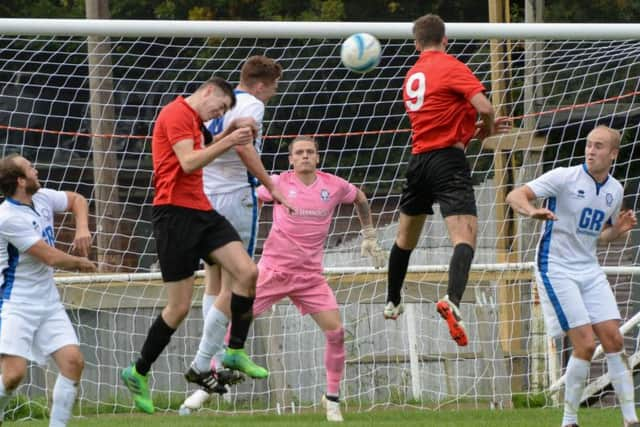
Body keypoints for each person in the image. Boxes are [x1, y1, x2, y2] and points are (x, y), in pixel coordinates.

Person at [120, 77, 272, 414]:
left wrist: (233, 127)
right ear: (207, 92)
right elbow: (190, 161)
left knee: (247, 272)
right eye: (218, 108)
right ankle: (138, 370)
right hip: (173, 216)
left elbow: (209, 145)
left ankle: (232, 350)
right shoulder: (176, 114)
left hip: (201, 211)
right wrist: (232, 137)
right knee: (179, 308)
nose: (215, 114)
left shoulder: (193, 119)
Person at [506, 125, 639, 427]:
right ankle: (568, 421)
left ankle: (631, 420)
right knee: (585, 344)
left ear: (613, 154)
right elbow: (516, 195)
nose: (591, 150)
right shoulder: (564, 177)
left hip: (588, 269)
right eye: (589, 144)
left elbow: (598, 237)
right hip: (556, 267)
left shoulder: (615, 191)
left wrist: (616, 231)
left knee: (615, 339)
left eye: (599, 146)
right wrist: (531, 211)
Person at [384, 14, 503, 347]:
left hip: (418, 160)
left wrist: (471, 130)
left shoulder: (412, 74)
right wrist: (488, 128)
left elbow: (441, 116)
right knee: (465, 237)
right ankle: (452, 299)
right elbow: (486, 106)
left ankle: (392, 299)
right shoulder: (451, 65)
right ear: (445, 40)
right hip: (448, 162)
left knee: (404, 238)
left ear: (416, 43)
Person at [182, 56, 289, 405]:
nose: (272, 95)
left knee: (214, 281)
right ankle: (204, 363)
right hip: (235, 200)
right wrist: (270, 184)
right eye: (273, 88)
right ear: (260, 85)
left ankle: (209, 366)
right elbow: (243, 147)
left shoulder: (216, 105)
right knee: (239, 281)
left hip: (205, 196)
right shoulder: (251, 104)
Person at [0, 154, 97, 427]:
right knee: (13, 376)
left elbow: (77, 199)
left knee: (73, 362)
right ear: (21, 181)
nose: (36, 169)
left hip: (48, 301)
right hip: (15, 303)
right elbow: (51, 257)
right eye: (31, 168)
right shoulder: (7, 218)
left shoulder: (41, 197)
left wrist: (82, 228)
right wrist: (80, 263)